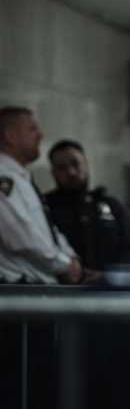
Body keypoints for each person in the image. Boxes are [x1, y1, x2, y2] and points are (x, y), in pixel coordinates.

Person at [0, 107, 82, 284]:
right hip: (20, 292)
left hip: (38, 289)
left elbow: (46, 230)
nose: (40, 135)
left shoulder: (21, 178)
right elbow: (21, 235)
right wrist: (65, 264)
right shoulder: (3, 178)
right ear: (10, 136)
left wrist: (70, 257)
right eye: (32, 129)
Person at [45, 139, 130, 272]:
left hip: (108, 288)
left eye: (75, 164)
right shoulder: (45, 207)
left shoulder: (111, 206)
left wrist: (107, 278)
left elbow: (129, 253)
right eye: (62, 168)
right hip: (62, 289)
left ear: (86, 164)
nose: (71, 172)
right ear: (53, 173)